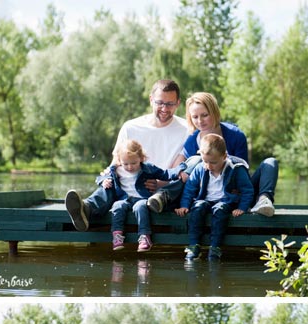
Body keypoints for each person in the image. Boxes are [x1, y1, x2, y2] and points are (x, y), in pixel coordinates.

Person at [148, 91, 278, 217]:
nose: (200, 121)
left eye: (205, 115)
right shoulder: (192, 141)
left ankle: (263, 200)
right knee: (195, 161)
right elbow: (181, 171)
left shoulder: (235, 135)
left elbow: (242, 168)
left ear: (214, 112)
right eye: (195, 117)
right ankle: (163, 196)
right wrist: (161, 182)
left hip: (239, 192)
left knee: (270, 163)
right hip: (209, 197)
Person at [63, 140, 179, 252]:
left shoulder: (148, 168)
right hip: (124, 199)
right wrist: (104, 181)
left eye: (134, 163)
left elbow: (165, 174)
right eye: (126, 164)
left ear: (141, 158)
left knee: (141, 207)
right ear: (119, 161)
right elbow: (100, 177)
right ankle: (117, 236)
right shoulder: (116, 170)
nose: (129, 167)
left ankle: (144, 236)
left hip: (140, 199)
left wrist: (180, 170)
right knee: (117, 206)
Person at [176, 132, 254, 261]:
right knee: (197, 207)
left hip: (226, 201)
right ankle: (194, 245)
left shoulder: (236, 169)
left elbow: (247, 190)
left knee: (220, 209)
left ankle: (215, 247)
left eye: (213, 162)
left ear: (224, 156)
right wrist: (184, 205)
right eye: (205, 161)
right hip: (205, 200)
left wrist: (242, 208)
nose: (208, 166)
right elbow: (190, 189)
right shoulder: (200, 168)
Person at [112, 80, 189, 172]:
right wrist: (108, 175)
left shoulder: (187, 129)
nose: (164, 109)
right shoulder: (130, 128)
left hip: (170, 184)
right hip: (134, 183)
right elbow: (116, 160)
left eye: (170, 104)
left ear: (177, 103)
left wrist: (160, 182)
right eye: (160, 103)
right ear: (151, 100)